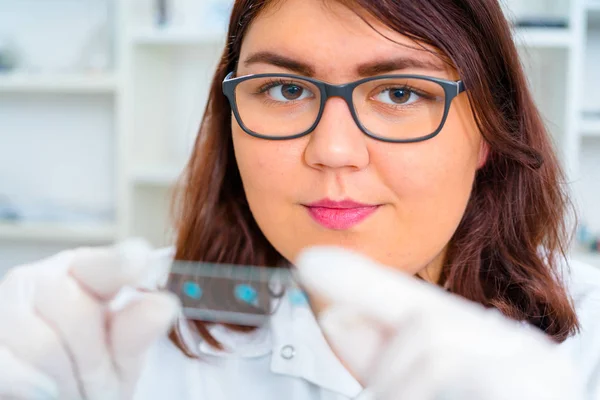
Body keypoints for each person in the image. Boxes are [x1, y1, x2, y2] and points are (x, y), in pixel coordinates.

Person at [0, 0, 599, 399]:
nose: (333, 149)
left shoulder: (585, 348)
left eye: (398, 92)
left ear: (488, 133)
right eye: (285, 88)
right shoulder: (109, 330)